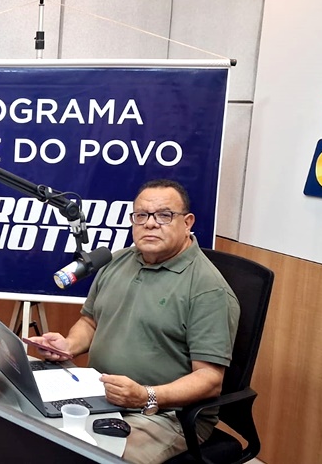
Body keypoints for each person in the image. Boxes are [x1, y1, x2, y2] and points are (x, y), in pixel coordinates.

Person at [29, 179, 240, 464]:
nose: (150, 224)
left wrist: (145, 396)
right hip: (99, 393)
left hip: (164, 415)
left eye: (164, 215)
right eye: (141, 215)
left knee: (88, 456)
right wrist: (68, 345)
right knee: (30, 428)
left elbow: (210, 380)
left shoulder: (208, 289)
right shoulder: (117, 261)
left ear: (187, 223)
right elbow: (90, 322)